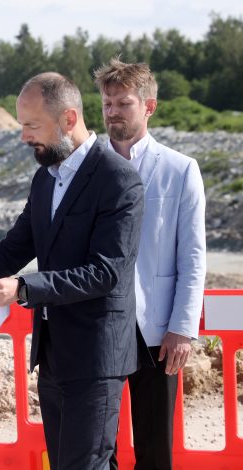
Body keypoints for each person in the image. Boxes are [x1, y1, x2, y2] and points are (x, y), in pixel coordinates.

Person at [0, 72, 147, 469]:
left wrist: (22, 288)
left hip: (97, 356)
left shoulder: (118, 180)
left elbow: (106, 272)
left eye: (32, 125)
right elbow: (11, 250)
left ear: (69, 119)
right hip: (53, 356)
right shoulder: (45, 180)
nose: (23, 137)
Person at [95, 59, 206, 470]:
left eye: (123, 103)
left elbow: (192, 256)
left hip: (157, 331)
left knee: (156, 450)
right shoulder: (86, 166)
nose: (112, 112)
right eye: (107, 104)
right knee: (97, 448)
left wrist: (182, 328)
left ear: (149, 106)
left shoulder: (180, 170)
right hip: (98, 327)